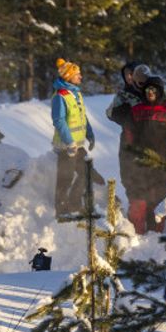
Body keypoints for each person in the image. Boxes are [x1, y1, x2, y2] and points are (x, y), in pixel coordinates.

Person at [124, 76, 166, 233]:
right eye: (148, 89)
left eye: (154, 90)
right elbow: (128, 130)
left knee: (159, 195)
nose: (150, 93)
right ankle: (138, 231)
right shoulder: (137, 110)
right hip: (139, 160)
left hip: (160, 161)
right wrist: (132, 147)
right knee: (139, 195)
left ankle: (157, 230)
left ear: (160, 91)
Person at [50, 58, 97, 216]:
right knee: (65, 178)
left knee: (87, 173)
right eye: (77, 74)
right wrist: (69, 142)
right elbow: (59, 120)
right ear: (69, 76)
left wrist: (89, 133)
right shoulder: (60, 96)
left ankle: (74, 204)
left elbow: (82, 117)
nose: (81, 77)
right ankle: (61, 210)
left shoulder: (76, 94)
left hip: (78, 145)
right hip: (66, 147)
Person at [106, 61, 146, 232]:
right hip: (128, 139)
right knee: (128, 175)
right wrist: (125, 116)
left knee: (146, 178)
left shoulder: (150, 90)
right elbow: (110, 112)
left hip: (149, 141)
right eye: (126, 75)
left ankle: (147, 218)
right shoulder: (123, 94)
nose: (130, 77)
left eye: (132, 73)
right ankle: (135, 216)